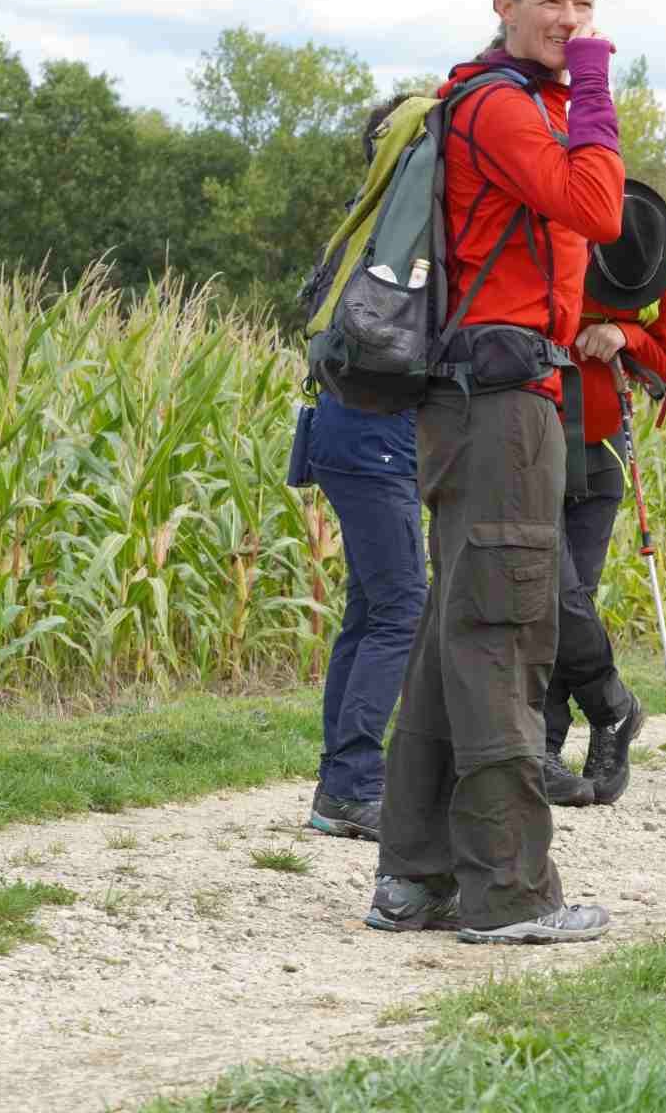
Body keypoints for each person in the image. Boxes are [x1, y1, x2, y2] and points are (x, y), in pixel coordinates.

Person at [366, 0, 622, 944]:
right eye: (553, 0)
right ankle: (509, 892)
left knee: (454, 630)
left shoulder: (494, 100)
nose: (571, 20)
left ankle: (415, 876)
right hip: (501, 400)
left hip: (488, 395)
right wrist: (596, 83)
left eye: (586, 5)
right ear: (503, 3)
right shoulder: (504, 107)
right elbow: (597, 206)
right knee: (503, 634)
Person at [300, 94, 435, 842]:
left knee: (372, 608)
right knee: (401, 608)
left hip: (352, 430)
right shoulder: (400, 240)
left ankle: (339, 786)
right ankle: (352, 785)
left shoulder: (375, 226)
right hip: (374, 436)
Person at [540, 186, 666, 807]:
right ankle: (610, 707)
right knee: (548, 593)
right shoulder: (552, 241)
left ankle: (549, 746)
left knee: (569, 596)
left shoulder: (660, 262)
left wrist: (625, 334)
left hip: (601, 453)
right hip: (534, 439)